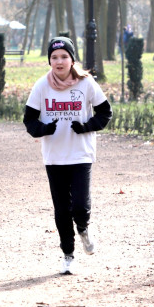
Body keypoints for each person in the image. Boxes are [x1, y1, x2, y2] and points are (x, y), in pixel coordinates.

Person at [23, 36, 112, 275]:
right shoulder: (42, 85)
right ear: (49, 60)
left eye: (64, 56)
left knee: (80, 206)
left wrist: (86, 126)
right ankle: (68, 255)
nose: (59, 61)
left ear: (72, 59)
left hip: (81, 153)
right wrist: (43, 129)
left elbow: (105, 112)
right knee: (62, 210)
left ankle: (83, 228)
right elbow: (29, 120)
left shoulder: (86, 83)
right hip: (54, 156)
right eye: (54, 57)